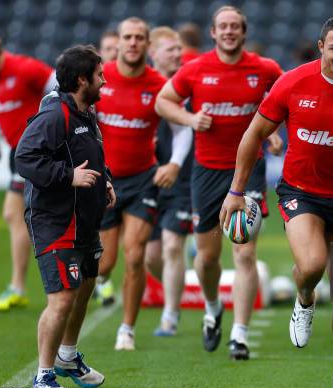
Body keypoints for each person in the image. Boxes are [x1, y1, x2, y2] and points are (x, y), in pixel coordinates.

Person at [220, 15, 333, 388]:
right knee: (315, 265)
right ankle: (304, 298)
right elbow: (254, 134)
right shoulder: (292, 82)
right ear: (321, 47)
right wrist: (236, 191)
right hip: (300, 192)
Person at [156, 6, 283, 360]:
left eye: (235, 27)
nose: (229, 32)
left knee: (244, 250)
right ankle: (213, 309)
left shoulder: (265, 69)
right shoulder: (195, 69)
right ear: (213, 33)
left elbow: (289, 100)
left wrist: (273, 132)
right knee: (208, 258)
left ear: (243, 32)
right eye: (222, 26)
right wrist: (190, 117)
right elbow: (163, 101)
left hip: (249, 170)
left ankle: (239, 336)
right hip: (207, 172)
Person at [15, 45, 114, 388]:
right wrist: (68, 176)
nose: (105, 81)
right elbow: (25, 158)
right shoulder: (55, 114)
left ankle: (68, 357)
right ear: (82, 79)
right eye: (100, 75)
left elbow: (91, 154)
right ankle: (44, 374)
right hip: (56, 221)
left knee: (86, 285)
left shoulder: (87, 111)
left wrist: (106, 180)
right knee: (61, 299)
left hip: (85, 218)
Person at [95, 17, 174, 351]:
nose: (132, 43)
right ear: (120, 41)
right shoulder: (100, 78)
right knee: (105, 262)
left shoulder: (159, 83)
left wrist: (174, 162)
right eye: (127, 37)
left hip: (143, 179)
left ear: (147, 44)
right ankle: (92, 285)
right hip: (104, 180)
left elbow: (183, 129)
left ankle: (126, 328)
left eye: (139, 38)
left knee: (135, 254)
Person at [0, 30, 57, 311]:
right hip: (19, 155)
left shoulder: (26, 68)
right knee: (31, 215)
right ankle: (26, 285)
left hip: (37, 153)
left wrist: (51, 128)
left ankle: (19, 287)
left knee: (15, 213)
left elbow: (61, 87)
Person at [145, 26, 194, 336]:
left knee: (173, 245)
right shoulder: (143, 84)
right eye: (170, 49)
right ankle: (177, 285)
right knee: (152, 256)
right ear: (154, 54)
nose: (178, 54)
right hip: (146, 179)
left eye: (179, 48)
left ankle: (171, 314)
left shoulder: (190, 84)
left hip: (183, 177)